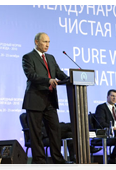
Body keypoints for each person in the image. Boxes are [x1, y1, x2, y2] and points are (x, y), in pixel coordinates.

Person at [22, 32, 75, 168]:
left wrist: (71, 78)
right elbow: (31, 75)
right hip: (35, 100)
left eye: (49, 42)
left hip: (50, 101)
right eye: (45, 42)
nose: (47, 45)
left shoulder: (51, 58)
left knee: (55, 130)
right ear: (36, 42)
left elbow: (58, 73)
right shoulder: (28, 57)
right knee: (36, 133)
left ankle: (58, 160)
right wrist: (48, 80)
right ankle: (40, 161)